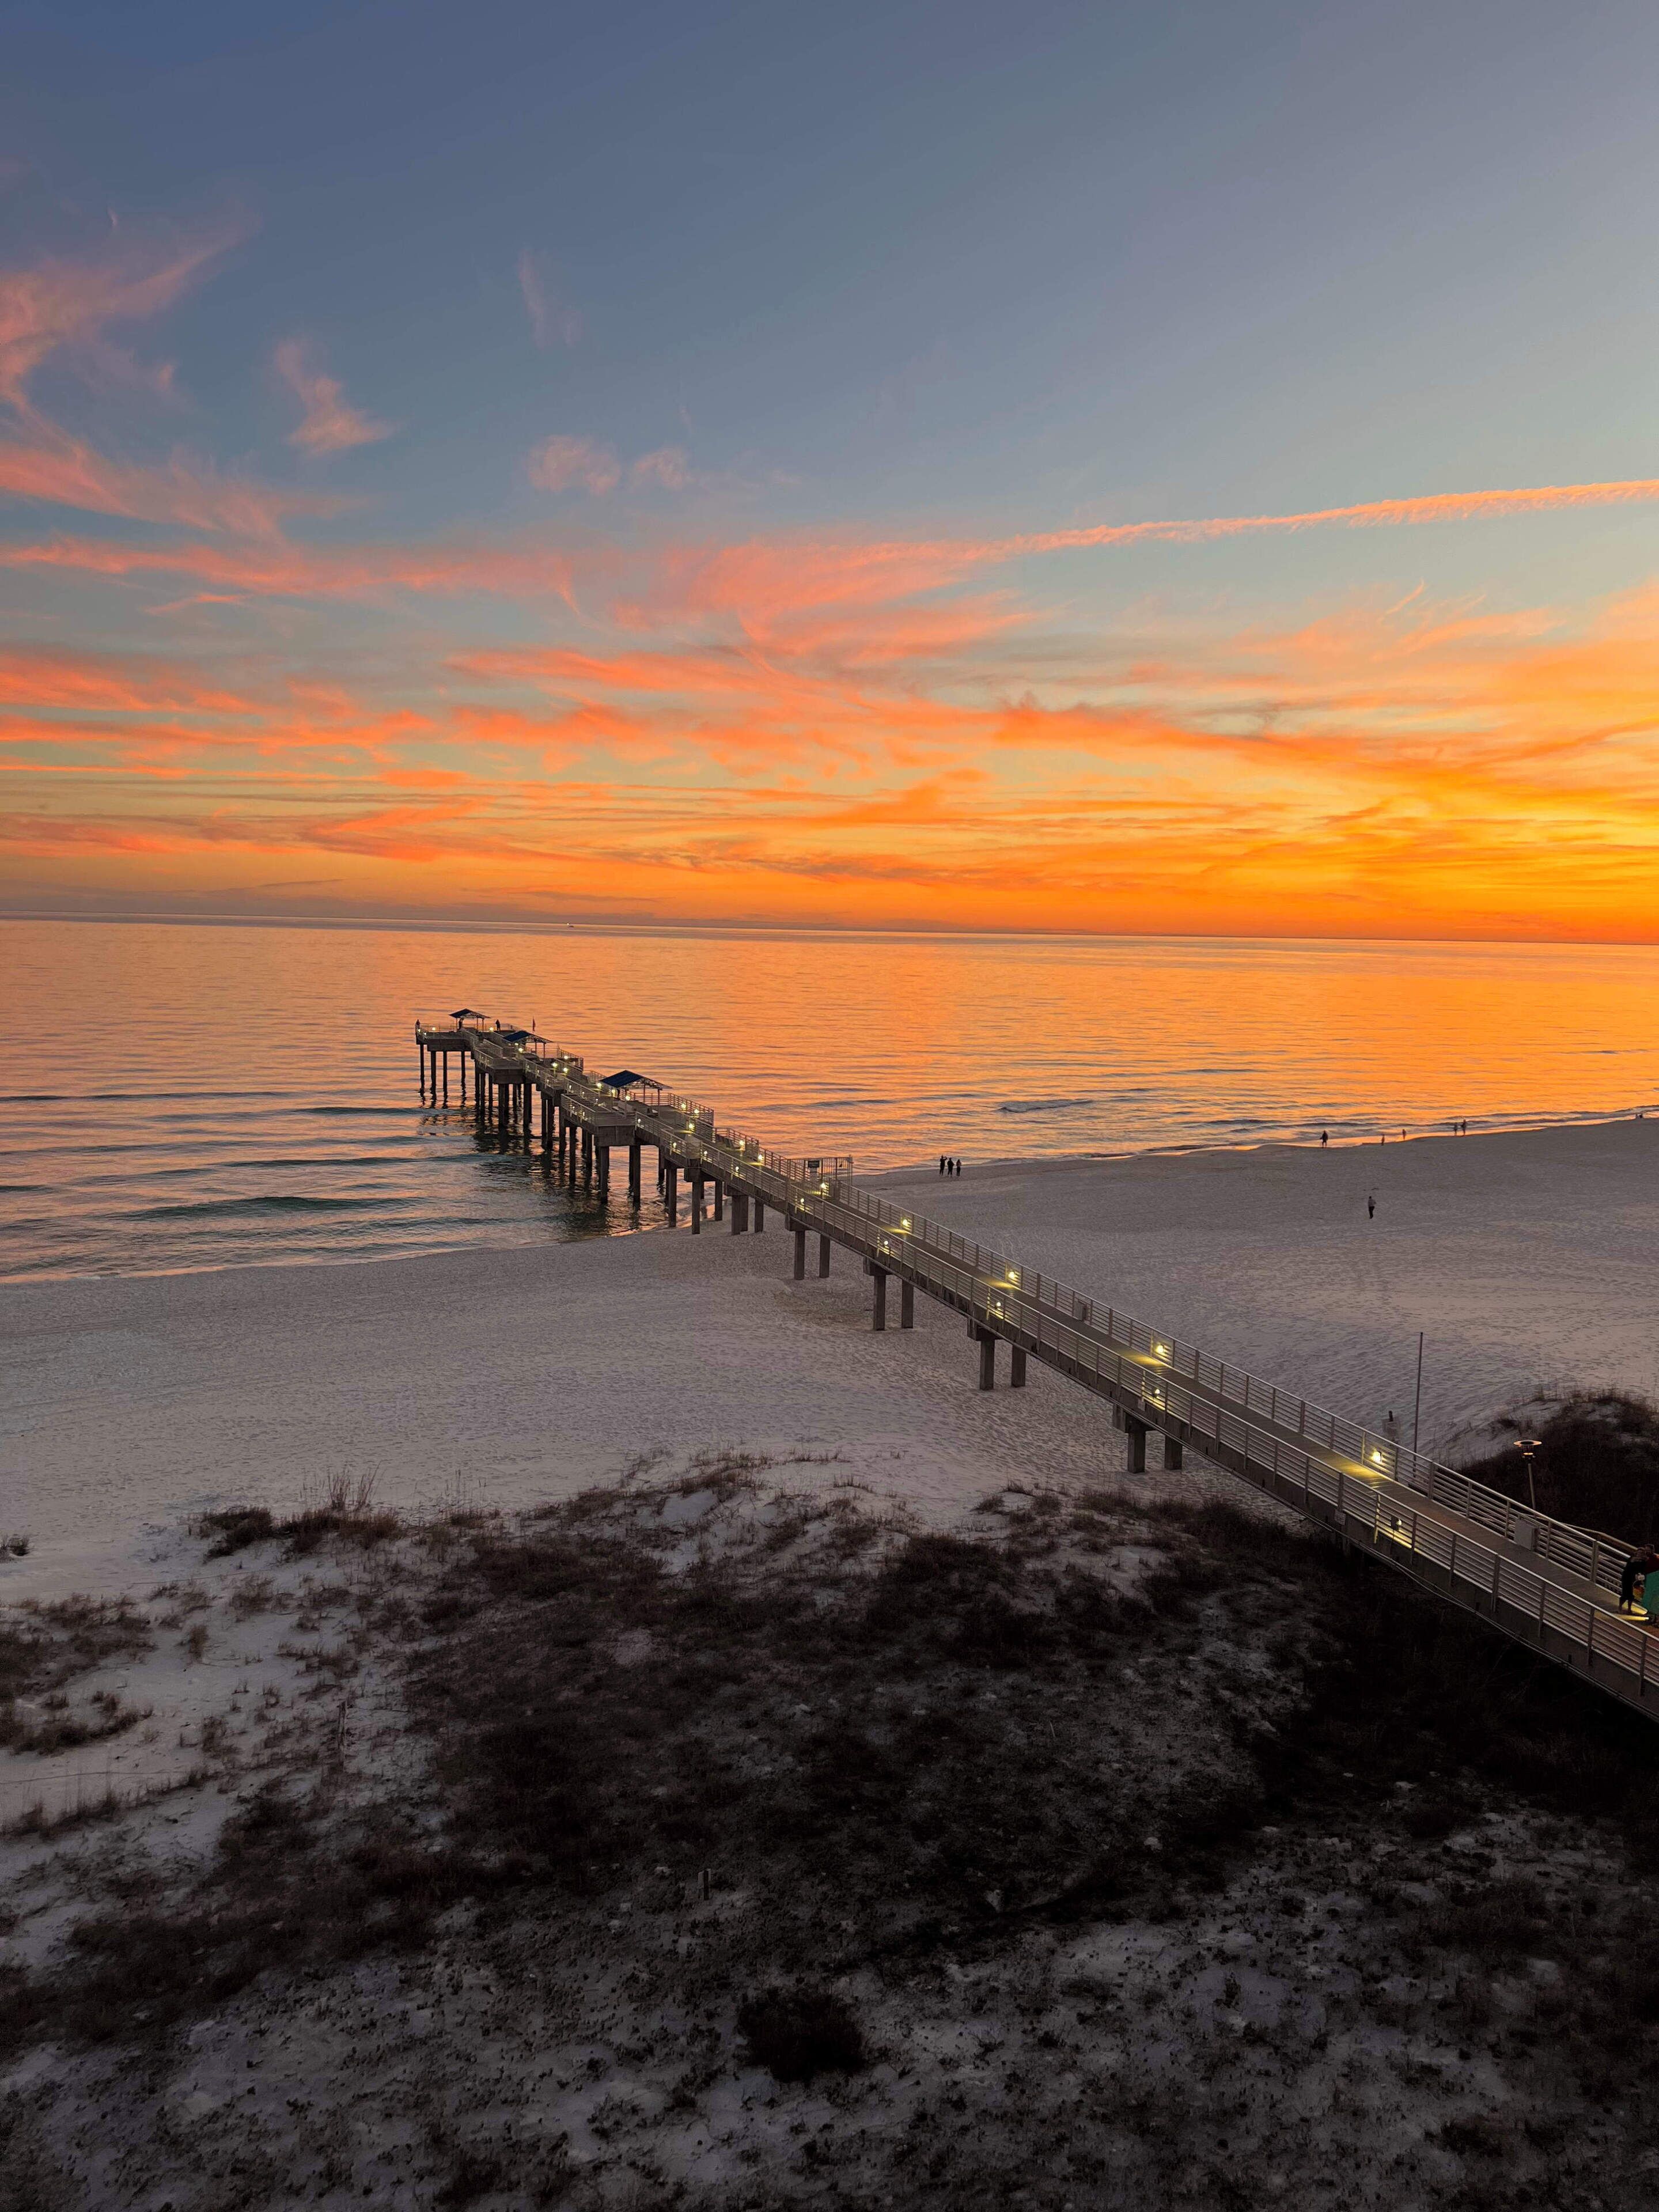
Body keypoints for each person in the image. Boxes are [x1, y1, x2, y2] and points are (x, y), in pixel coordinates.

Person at [1619, 1546, 1659, 1614]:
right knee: (1625, 1594)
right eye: (1639, 1553)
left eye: (1642, 1553)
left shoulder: (1643, 1562)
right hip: (1627, 1578)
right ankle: (1620, 1607)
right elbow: (1631, 1564)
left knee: (1632, 1595)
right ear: (1636, 1553)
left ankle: (1629, 1609)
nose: (1640, 1554)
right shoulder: (1633, 1559)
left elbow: (1644, 1569)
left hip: (1635, 1579)